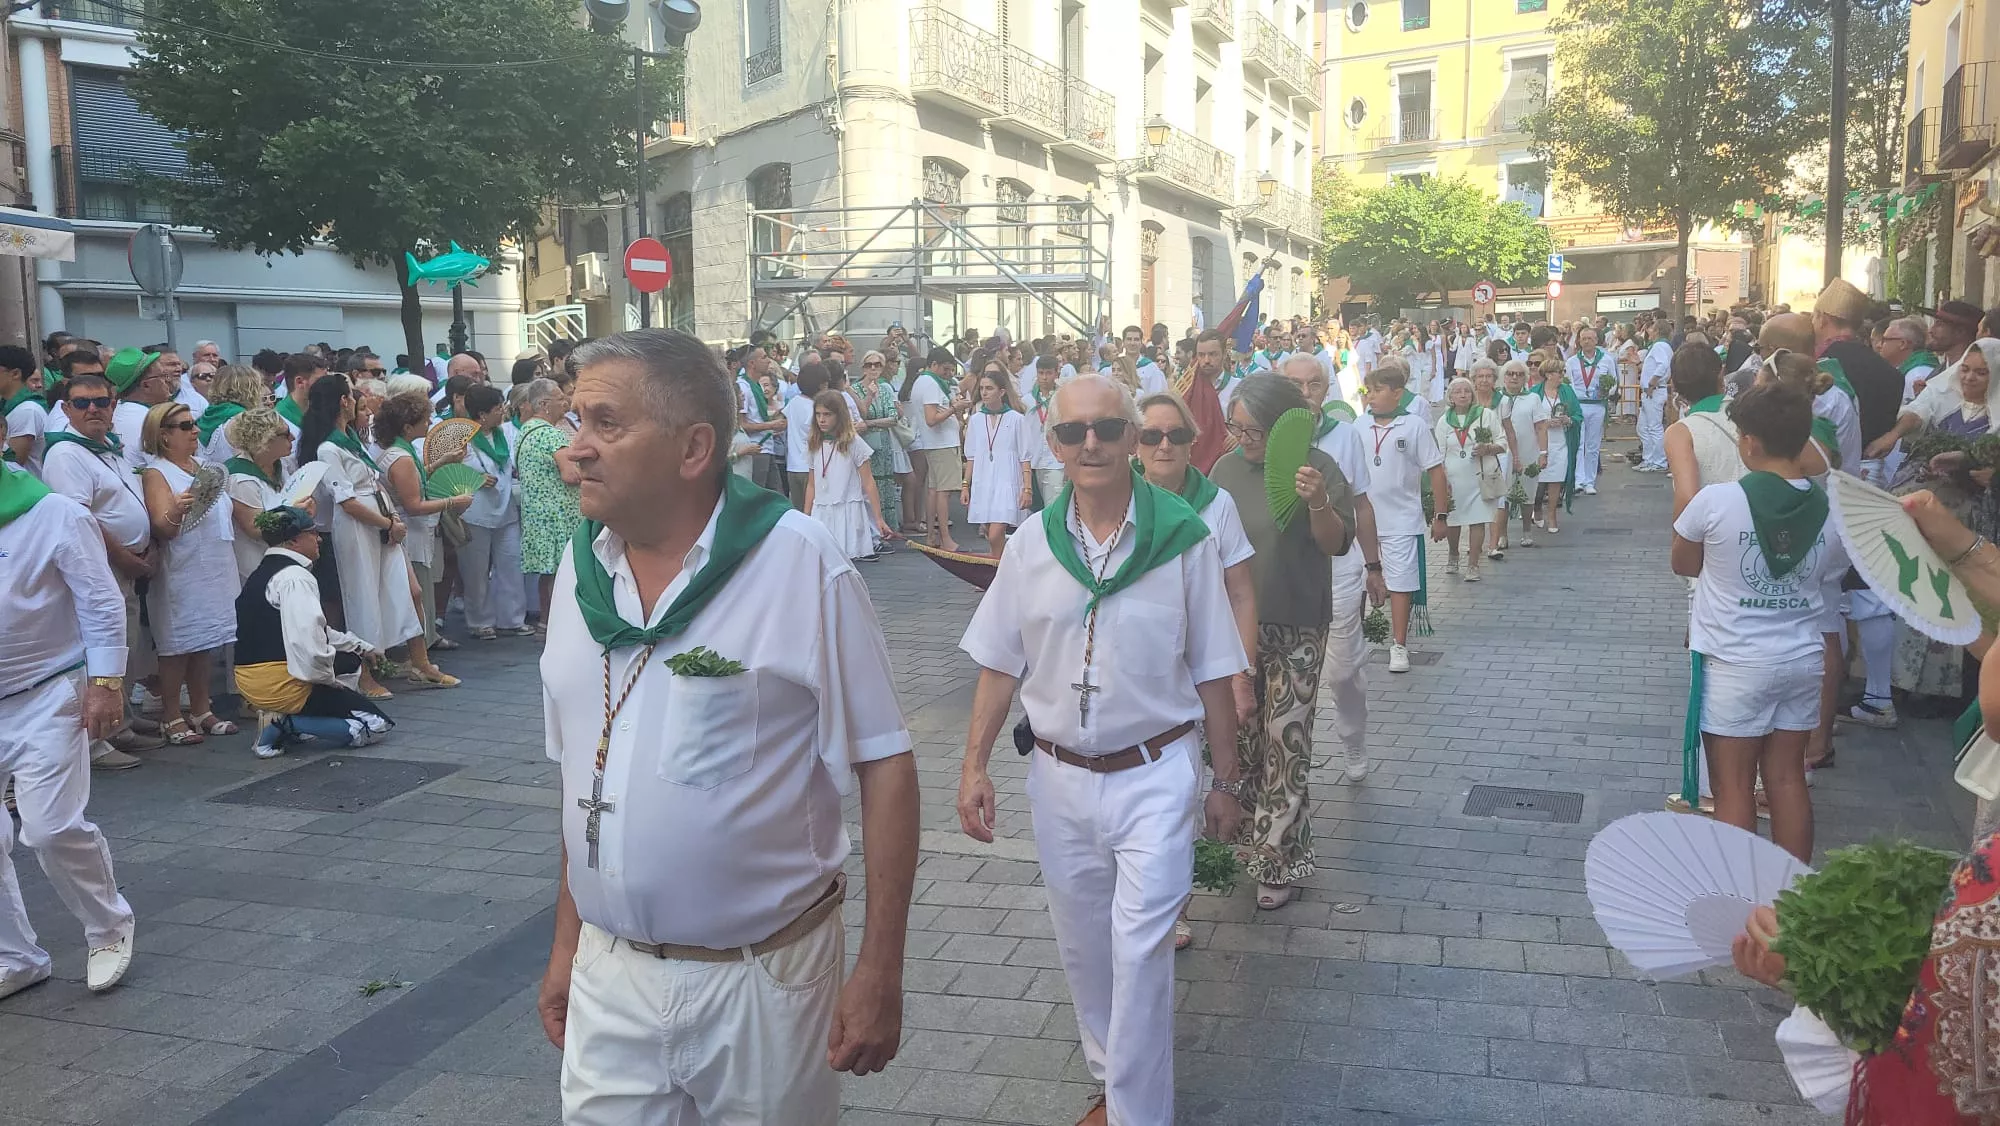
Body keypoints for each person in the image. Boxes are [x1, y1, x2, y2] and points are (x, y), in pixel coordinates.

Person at [534, 330, 919, 1123]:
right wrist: (570, 945)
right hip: (612, 975)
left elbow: (885, 765)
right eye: (576, 423)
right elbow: (583, 776)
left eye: (606, 424)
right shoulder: (580, 567)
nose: (575, 451)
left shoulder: (797, 562)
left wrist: (881, 967)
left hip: (763, 982)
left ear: (693, 448)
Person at [956, 372, 1246, 1126]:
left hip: (1156, 772)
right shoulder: (1030, 545)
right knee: (1084, 945)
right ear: (1051, 443)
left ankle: (1134, 1114)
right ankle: (1110, 1078)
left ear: (1133, 437)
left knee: (1141, 948)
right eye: (1071, 432)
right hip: (1058, 778)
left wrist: (1228, 781)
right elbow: (998, 660)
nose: (1090, 444)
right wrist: (973, 765)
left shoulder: (1185, 538)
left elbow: (1217, 667)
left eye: (1108, 429)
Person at [1670, 380, 1845, 862]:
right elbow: (1830, 573)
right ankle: (1791, 899)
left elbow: (1684, 563)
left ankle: (1741, 899)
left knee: (1733, 789)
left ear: (1749, 442)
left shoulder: (1717, 500)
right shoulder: (1832, 509)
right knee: (1787, 779)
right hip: (1803, 659)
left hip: (1734, 663)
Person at [0, 431, 136, 994]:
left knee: (50, 827)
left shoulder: (54, 512)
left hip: (46, 689)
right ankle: (16, 957)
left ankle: (107, 926)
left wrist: (105, 683)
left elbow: (100, 601)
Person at [1212, 375, 1352, 911]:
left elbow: (1335, 544)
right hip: (1233, 627)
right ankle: (1249, 839)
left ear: (1283, 425)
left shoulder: (1317, 468)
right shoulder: (1224, 470)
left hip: (1297, 624)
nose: (1242, 437)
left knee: (1285, 741)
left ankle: (1278, 858)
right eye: (1236, 426)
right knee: (1243, 741)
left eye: (1253, 429)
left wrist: (1318, 502)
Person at [41, 371, 161, 770]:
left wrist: (149, 545)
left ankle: (120, 723)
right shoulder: (65, 454)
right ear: (65, 409)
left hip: (129, 564)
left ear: (114, 406)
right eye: (81, 403)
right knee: (102, 646)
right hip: (101, 567)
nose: (93, 409)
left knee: (125, 642)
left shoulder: (107, 448)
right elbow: (81, 519)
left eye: (101, 402)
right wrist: (125, 556)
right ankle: (96, 742)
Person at [1277, 353, 1383, 782]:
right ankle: (1290, 759)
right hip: (1284, 570)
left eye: (1313, 385)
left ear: (1326, 389)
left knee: (1341, 672)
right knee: (1284, 673)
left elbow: (1360, 503)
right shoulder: (1264, 437)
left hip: (1337, 568)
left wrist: (1374, 566)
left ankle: (1353, 736)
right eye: (1295, 386)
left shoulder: (1345, 436)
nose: (1304, 394)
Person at [232, 506, 393, 759]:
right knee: (375, 725)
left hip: (250, 679)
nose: (318, 539)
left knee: (350, 657)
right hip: (278, 682)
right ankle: (283, 724)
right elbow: (307, 640)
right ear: (294, 540)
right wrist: (329, 682)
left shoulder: (263, 572)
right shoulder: (295, 577)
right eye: (312, 533)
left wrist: (361, 646)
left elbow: (318, 630)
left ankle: (290, 720)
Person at [302, 374, 424, 696]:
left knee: (391, 590)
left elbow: (375, 482)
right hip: (357, 526)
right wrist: (387, 524)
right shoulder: (329, 447)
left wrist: (393, 517)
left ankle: (388, 659)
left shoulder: (351, 440)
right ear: (344, 401)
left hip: (379, 520)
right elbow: (346, 499)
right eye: (353, 397)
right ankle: (363, 675)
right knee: (361, 597)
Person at [135, 402, 238, 745]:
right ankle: (171, 715)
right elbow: (162, 527)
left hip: (213, 562)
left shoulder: (203, 466)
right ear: (163, 436)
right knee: (177, 644)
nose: (195, 430)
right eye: (185, 426)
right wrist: (177, 510)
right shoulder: (157, 472)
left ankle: (201, 707)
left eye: (193, 424)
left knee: (205, 640)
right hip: (181, 568)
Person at [374, 391, 470, 687]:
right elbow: (414, 504)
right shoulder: (400, 457)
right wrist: (452, 502)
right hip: (410, 536)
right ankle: (415, 659)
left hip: (413, 535)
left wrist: (442, 462)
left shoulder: (401, 453)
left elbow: (416, 480)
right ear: (406, 427)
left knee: (417, 595)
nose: (431, 422)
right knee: (415, 595)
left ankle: (415, 658)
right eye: (425, 418)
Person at [1365, 360, 1449, 672]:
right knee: (1362, 580)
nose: (1370, 396)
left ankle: (1398, 645)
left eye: (1377, 390)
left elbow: (1436, 471)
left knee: (1400, 584)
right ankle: (1355, 641)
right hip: (1365, 523)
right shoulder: (1359, 426)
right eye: (1368, 390)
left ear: (1398, 393)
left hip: (1402, 520)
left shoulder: (1413, 425)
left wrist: (1440, 514)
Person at [452, 383, 531, 641]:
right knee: (475, 570)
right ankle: (480, 621)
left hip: (505, 508)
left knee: (511, 562)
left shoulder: (505, 433)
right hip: (474, 511)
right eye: (498, 408)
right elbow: (446, 472)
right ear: (482, 414)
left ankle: (512, 618)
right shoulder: (460, 436)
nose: (503, 412)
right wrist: (474, 478)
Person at [803, 388, 894, 563]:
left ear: (839, 415)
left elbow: (868, 482)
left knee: (848, 563)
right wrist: (806, 516)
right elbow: (812, 484)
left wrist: (878, 519)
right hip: (822, 510)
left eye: (827, 414)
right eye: (818, 414)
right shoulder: (814, 443)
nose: (821, 419)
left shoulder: (853, 442)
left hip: (847, 508)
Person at [1433, 377, 1504, 579]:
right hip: (1454, 479)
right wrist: (1442, 478)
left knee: (1478, 519)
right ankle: (1453, 553)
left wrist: (1488, 448)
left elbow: (1502, 442)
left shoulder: (1485, 415)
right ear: (1451, 397)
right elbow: (1439, 453)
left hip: (1479, 477)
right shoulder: (1444, 421)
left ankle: (1473, 565)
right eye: (1458, 391)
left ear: (1472, 395)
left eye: (1467, 391)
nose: (1463, 394)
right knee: (1454, 520)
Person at [961, 367, 1031, 556]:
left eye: (989, 388)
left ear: (1002, 392)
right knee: (990, 535)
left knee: (996, 534)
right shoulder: (975, 420)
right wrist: (966, 485)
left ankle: (999, 572)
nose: (984, 392)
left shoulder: (1016, 419)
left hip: (1007, 482)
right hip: (984, 482)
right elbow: (972, 457)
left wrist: (1027, 489)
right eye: (982, 388)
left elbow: (1025, 457)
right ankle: (996, 573)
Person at [222, 407, 295, 583]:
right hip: (256, 568)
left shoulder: (281, 464)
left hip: (284, 559)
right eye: (286, 434)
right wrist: (297, 513)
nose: (292, 437)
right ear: (266, 441)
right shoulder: (240, 478)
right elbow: (257, 529)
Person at [910, 347, 967, 551]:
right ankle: (945, 537)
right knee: (943, 492)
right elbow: (931, 419)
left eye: (951, 370)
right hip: (942, 444)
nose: (949, 374)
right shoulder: (930, 384)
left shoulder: (924, 382)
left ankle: (932, 535)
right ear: (933, 365)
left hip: (936, 444)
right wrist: (955, 409)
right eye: (946, 369)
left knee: (934, 490)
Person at [854, 350, 905, 538]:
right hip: (865, 444)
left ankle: (888, 527)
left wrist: (870, 424)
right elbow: (859, 416)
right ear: (863, 368)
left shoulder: (886, 389)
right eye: (869, 365)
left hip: (883, 442)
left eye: (877, 365)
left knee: (885, 484)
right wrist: (868, 400)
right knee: (868, 485)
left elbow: (893, 418)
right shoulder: (855, 389)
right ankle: (870, 529)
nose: (873, 368)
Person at [1469, 359, 1516, 558]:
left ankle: (1493, 545)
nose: (1485, 380)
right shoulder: (1467, 400)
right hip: (1473, 453)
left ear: (1495, 379)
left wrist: (1517, 457)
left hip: (1498, 452)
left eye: (1489, 376)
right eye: (1481, 376)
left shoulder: (1503, 401)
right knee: (1474, 497)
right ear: (1474, 379)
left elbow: (1509, 431)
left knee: (1498, 498)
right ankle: (1474, 544)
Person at [1566, 326, 1614, 495]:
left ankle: (1589, 481)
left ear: (1596, 341)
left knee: (1593, 445)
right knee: (1579, 443)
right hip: (1578, 405)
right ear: (1579, 341)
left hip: (1597, 406)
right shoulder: (1571, 362)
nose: (1586, 341)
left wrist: (1607, 391)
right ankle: (1578, 480)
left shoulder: (1606, 360)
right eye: (1583, 338)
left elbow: (1614, 383)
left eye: (1590, 338)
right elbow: (1569, 384)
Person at [1532, 354, 1574, 534]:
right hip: (1539, 442)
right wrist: (1545, 423)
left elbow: (1577, 414)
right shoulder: (1534, 393)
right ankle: (1536, 509)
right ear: (1549, 374)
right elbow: (1526, 417)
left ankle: (1552, 516)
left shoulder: (1567, 391)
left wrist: (1567, 419)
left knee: (1556, 479)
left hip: (1561, 442)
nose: (1562, 375)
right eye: (1559, 372)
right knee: (1538, 480)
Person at [2, 344, 47, 474]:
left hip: (29, 490)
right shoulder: (11, 406)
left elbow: (12, 463)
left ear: (15, 373)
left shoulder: (27, 410)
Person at [1636, 317, 1673, 471]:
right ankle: (1649, 458)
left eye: (1651, 329)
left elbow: (1663, 365)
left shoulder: (1659, 346)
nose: (1648, 331)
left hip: (1654, 391)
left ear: (1656, 330)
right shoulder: (1664, 346)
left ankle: (1659, 461)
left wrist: (1652, 382)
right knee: (1643, 427)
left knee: (1653, 427)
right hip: (1653, 391)